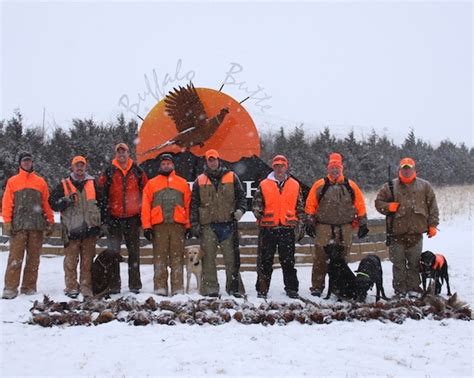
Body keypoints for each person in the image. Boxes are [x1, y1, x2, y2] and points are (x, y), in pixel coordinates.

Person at [305, 152, 368, 297]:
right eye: (332, 167)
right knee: (320, 258)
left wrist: (363, 223)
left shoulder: (351, 185)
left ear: (342, 169)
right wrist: (309, 222)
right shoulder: (320, 184)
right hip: (323, 226)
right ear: (328, 169)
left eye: (337, 168)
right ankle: (317, 286)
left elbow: (360, 205)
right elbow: (310, 205)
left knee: (342, 259)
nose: (335, 170)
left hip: (345, 227)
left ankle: (339, 286)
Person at [375, 157, 439, 298]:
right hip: (396, 234)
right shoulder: (390, 186)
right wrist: (388, 207)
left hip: (416, 234)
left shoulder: (425, 186)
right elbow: (378, 202)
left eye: (409, 168)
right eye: (404, 168)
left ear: (414, 169)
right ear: (400, 169)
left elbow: (433, 206)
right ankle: (400, 289)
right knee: (398, 264)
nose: (407, 171)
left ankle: (414, 287)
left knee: (415, 263)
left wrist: (433, 225)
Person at [190, 149, 247, 297]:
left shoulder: (232, 177)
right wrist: (195, 223)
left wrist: (240, 211)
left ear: (218, 160)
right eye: (209, 160)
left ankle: (234, 288)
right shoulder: (199, 180)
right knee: (208, 259)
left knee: (231, 259)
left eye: (214, 159)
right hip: (208, 225)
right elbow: (194, 204)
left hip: (228, 224)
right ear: (206, 162)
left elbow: (242, 198)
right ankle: (210, 288)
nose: (212, 162)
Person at [2, 152, 54, 299]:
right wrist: (7, 221)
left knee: (33, 259)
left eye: (29, 161)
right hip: (18, 226)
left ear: (32, 163)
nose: (27, 163)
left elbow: (46, 203)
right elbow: (7, 203)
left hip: (37, 226)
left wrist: (50, 221)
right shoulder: (13, 181)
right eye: (24, 161)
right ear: (20, 163)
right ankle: (10, 288)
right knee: (15, 258)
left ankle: (29, 287)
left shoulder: (40, 182)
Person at [252, 155, 304, 299]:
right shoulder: (264, 184)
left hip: (287, 228)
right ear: (273, 167)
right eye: (276, 166)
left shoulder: (295, 184)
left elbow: (299, 207)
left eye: (282, 166)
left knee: (288, 261)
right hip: (268, 229)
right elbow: (256, 205)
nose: (279, 168)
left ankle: (291, 288)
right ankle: (262, 289)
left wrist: (301, 224)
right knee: (265, 261)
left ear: (286, 167)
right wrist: (260, 215)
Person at [98, 143, 148, 294]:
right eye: (119, 152)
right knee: (113, 253)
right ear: (115, 154)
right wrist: (104, 218)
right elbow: (101, 195)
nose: (121, 154)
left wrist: (142, 216)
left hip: (133, 218)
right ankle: (114, 285)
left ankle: (135, 285)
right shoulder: (108, 172)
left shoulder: (138, 171)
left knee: (134, 253)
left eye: (124, 152)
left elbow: (146, 193)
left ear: (128, 153)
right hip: (114, 218)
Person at [49, 156, 101, 298]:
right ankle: (71, 287)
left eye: (82, 165)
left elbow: (103, 204)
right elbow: (52, 202)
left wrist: (101, 224)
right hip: (71, 230)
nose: (79, 168)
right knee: (71, 262)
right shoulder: (64, 184)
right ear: (72, 167)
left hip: (90, 230)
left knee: (87, 262)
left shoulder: (93, 183)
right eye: (77, 165)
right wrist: (65, 201)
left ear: (86, 167)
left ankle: (86, 286)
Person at [141, 154, 191, 296]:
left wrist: (188, 225)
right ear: (160, 166)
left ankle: (177, 287)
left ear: (173, 165)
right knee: (159, 257)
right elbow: (145, 206)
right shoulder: (151, 184)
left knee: (177, 257)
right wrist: (146, 226)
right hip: (159, 226)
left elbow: (188, 205)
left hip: (177, 226)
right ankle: (160, 287)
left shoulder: (182, 183)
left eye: (168, 163)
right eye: (163, 164)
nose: (166, 166)